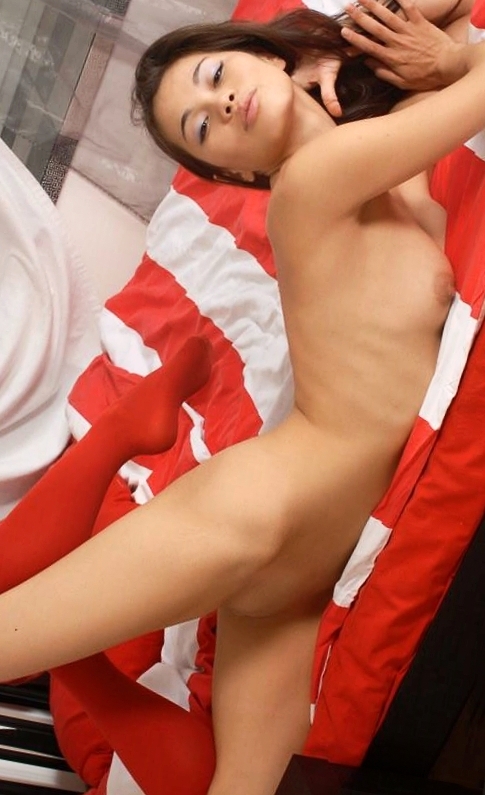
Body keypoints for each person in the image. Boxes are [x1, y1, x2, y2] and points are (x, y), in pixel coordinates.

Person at [1, 5, 485, 795]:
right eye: (201, 127)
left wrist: (397, 56)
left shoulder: (374, 154)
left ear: (268, 57)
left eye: (217, 74)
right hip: (264, 508)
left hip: (298, 566)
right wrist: (446, 65)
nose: (221, 104)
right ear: (229, 174)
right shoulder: (314, 181)